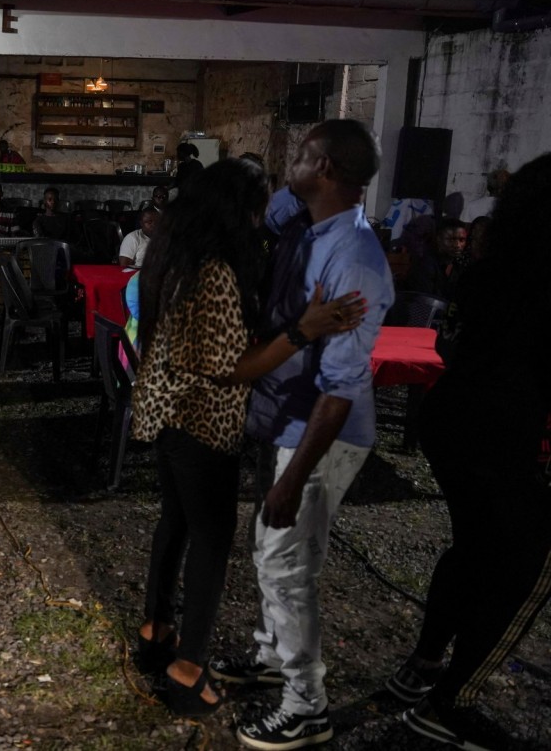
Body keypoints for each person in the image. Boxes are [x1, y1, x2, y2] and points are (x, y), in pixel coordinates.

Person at [130, 161, 366, 718]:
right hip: (198, 418)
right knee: (212, 540)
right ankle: (187, 671)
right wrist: (302, 331)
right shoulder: (212, 270)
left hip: (164, 408)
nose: (263, 218)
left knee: (176, 521)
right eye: (258, 207)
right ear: (237, 210)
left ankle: (155, 631)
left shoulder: (172, 252)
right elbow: (229, 367)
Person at [212, 120, 394, 750]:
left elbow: (341, 387)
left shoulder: (353, 257)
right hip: (282, 414)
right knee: (272, 556)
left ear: (326, 169)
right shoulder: (305, 219)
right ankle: (271, 655)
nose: (289, 159)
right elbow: (267, 215)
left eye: (302, 154)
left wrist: (295, 476)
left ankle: (304, 704)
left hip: (318, 429)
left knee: (286, 564)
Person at [387, 153, 551, 751]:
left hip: (451, 422)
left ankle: (424, 665)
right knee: (528, 565)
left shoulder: (487, 270)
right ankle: (452, 699)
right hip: (503, 435)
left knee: (473, 547)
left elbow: (451, 344)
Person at [406, 217, 467, 299]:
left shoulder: (459, 266)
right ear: (439, 239)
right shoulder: (425, 264)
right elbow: (425, 301)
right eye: (451, 240)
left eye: (461, 240)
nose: (457, 245)